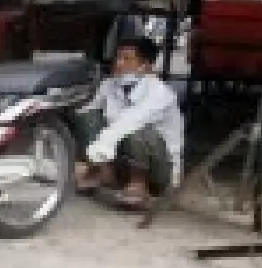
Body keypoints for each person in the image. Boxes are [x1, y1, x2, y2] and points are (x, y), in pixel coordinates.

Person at [75, 35, 184, 209]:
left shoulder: (161, 93)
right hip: (123, 158)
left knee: (137, 129)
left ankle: (139, 184)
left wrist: (101, 145)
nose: (118, 63)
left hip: (159, 170)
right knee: (88, 116)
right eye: (117, 58)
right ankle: (96, 173)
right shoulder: (109, 85)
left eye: (127, 59)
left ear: (145, 65)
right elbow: (87, 111)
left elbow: (131, 120)